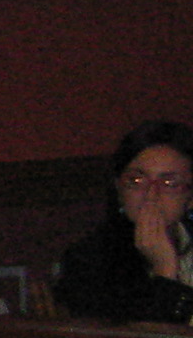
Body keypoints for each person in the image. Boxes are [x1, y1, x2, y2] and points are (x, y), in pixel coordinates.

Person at [52, 120, 193, 324]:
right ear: (118, 188)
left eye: (169, 183)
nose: (151, 195)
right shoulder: (89, 260)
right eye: (136, 181)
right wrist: (164, 271)